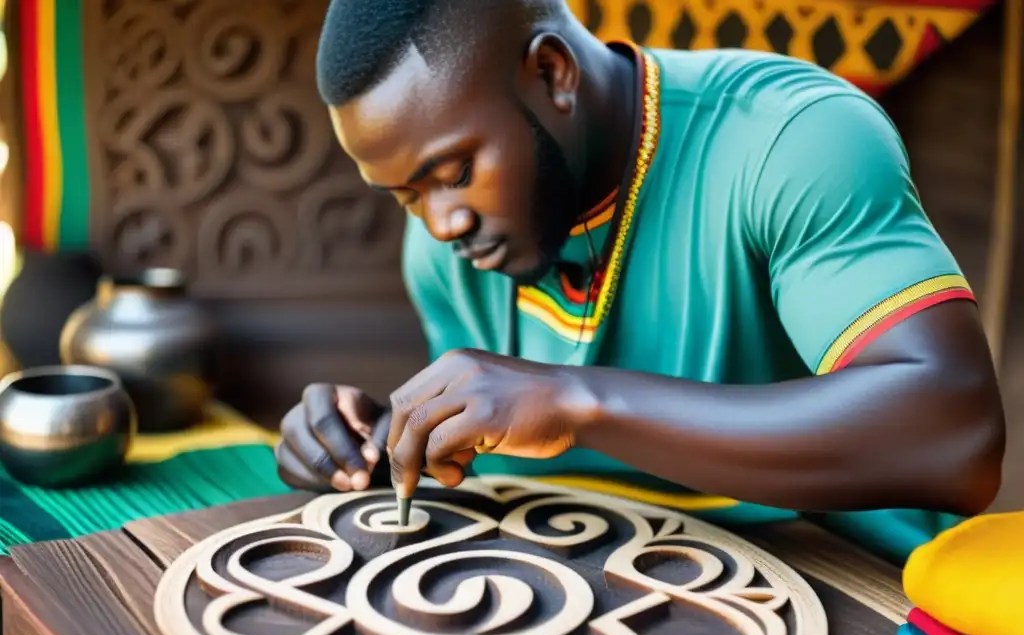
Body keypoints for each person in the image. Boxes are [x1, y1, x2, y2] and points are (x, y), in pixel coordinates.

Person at [276, 0, 1006, 562]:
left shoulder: (789, 138)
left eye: (455, 173)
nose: (441, 224)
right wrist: (383, 444)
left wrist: (579, 403)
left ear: (553, 74)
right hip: (593, 611)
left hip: (858, 607)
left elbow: (954, 435)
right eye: (406, 194)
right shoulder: (444, 250)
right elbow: (502, 462)